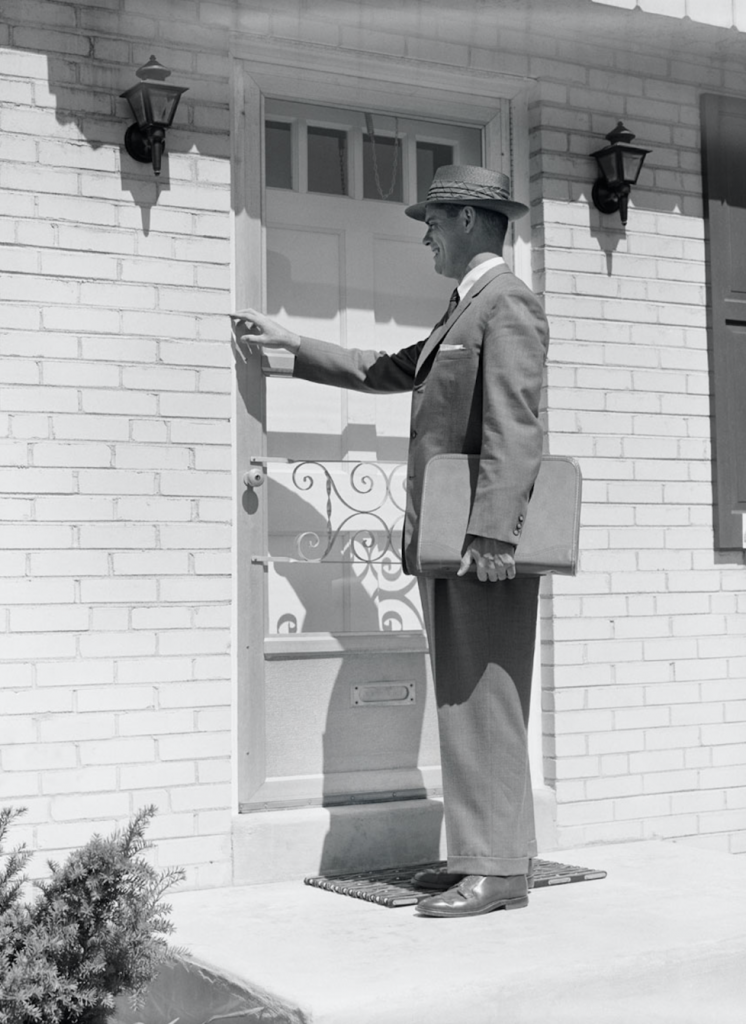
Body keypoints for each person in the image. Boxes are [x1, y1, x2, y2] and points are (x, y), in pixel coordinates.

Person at [232, 165, 549, 919]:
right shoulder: (463, 308)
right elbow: (392, 369)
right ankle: (487, 856)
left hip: (480, 542)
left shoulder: (508, 306)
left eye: (433, 222)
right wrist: (293, 344)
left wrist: (493, 534)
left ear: (471, 218)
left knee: (485, 699)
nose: (425, 236)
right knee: (464, 698)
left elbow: (516, 426)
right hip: (453, 538)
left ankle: (497, 870)